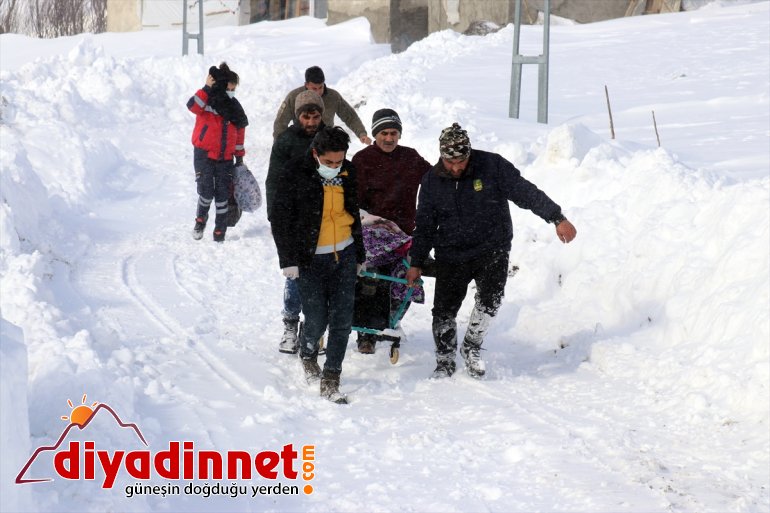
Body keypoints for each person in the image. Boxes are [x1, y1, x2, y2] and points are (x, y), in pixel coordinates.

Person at [405, 123, 577, 379]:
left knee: (490, 302)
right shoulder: (432, 181)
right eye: (450, 162)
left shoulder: (492, 166)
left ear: (469, 153)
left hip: (491, 248)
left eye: (461, 161)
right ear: (441, 156)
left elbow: (526, 193)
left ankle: (471, 347)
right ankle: (444, 360)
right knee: (443, 310)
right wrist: (416, 262)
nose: (455, 167)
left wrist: (556, 217)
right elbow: (426, 225)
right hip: (451, 253)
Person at [269, 126, 366, 403]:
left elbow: (353, 214)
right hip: (310, 260)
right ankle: (308, 351)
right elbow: (280, 218)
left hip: (344, 255)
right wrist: (288, 260)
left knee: (342, 320)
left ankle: (331, 377)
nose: (334, 167)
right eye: (328, 162)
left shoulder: (348, 172)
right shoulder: (295, 173)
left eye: (339, 161)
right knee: (317, 319)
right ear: (315, 154)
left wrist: (359, 254)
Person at [350, 108, 431, 354]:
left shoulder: (411, 158)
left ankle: (388, 323)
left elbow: (434, 179)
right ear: (375, 134)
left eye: (393, 133)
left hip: (404, 234)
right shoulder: (362, 160)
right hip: (372, 235)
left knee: (405, 279)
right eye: (384, 133)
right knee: (369, 278)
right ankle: (366, 333)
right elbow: (352, 201)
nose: (388, 138)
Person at [265, 89, 326, 353]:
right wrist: (274, 215)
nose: (311, 122)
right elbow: (273, 181)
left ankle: (314, 327)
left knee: (323, 275)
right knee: (294, 273)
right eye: (306, 117)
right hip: (294, 218)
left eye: (315, 117)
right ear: (297, 116)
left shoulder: (328, 137)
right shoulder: (286, 141)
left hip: (324, 218)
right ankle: (290, 325)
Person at [187, 62, 249, 242]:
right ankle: (200, 221)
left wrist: (239, 158)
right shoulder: (207, 100)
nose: (231, 92)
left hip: (225, 158)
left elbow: (239, 134)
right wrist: (206, 87)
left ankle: (220, 232)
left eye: (234, 89)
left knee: (223, 195)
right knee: (206, 192)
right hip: (204, 155)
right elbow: (192, 106)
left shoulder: (235, 108)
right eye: (229, 88)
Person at [272, 66, 371, 145]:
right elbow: (281, 123)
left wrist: (361, 133)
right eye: (314, 88)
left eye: (321, 87)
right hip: (301, 142)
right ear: (306, 85)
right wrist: (279, 145)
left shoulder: (333, 96)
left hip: (326, 142)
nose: (318, 92)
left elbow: (350, 116)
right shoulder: (294, 97)